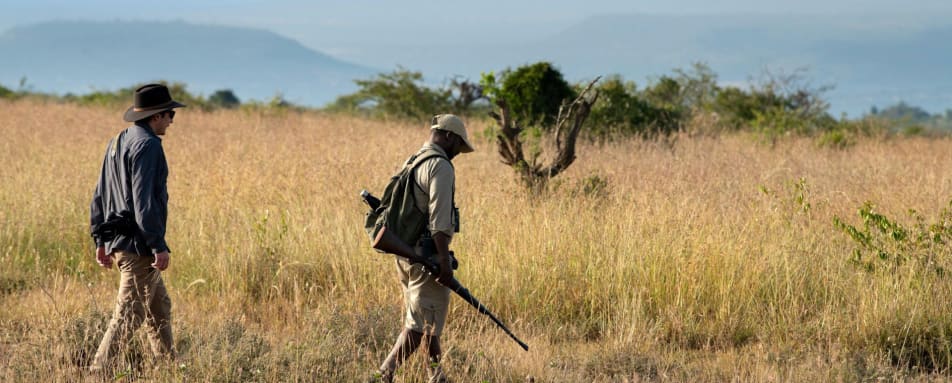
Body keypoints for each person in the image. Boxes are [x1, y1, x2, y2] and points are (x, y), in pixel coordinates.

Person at [88, 83, 185, 372]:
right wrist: (158, 244)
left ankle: (168, 367)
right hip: (139, 245)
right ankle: (98, 372)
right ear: (156, 116)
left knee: (160, 308)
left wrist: (101, 239)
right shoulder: (149, 145)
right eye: (170, 114)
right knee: (129, 314)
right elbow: (144, 202)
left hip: (119, 241)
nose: (171, 120)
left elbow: (100, 194)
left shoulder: (117, 141)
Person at [372, 114, 476, 383]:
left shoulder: (414, 159)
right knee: (418, 327)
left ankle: (436, 375)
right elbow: (440, 221)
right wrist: (442, 260)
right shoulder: (440, 166)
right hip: (425, 255)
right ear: (449, 137)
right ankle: (382, 376)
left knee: (428, 319)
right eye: (458, 146)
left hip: (407, 254)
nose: (457, 154)